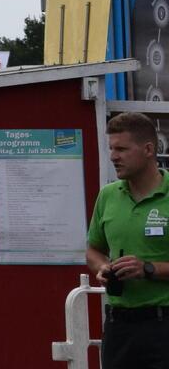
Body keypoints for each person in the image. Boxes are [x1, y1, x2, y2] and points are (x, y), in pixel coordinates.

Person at [88, 112, 168, 369]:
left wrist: (147, 268)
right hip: (118, 326)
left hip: (163, 323)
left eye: (121, 149)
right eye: (111, 148)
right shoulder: (108, 195)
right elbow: (93, 249)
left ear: (148, 149)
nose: (113, 156)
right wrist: (101, 266)